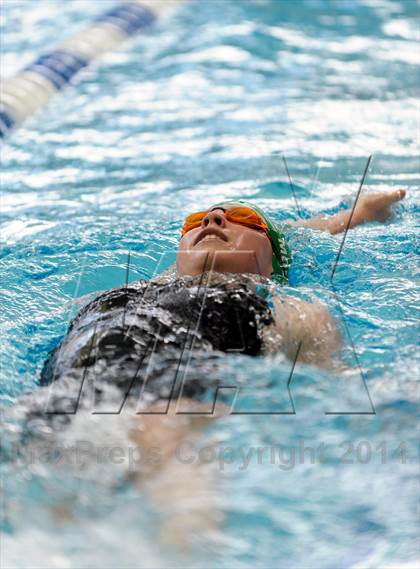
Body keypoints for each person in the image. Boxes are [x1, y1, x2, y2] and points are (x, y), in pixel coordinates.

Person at [6, 188, 406, 547]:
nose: (213, 219)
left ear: (273, 263)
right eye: (196, 222)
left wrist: (356, 215)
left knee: (162, 466)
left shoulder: (288, 308)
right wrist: (356, 214)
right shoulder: (124, 292)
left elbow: (331, 395)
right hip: (54, 401)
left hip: (169, 403)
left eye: (245, 221)